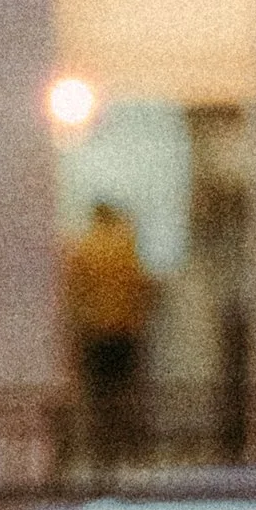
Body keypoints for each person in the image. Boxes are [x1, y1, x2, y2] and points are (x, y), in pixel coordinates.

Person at [64, 199, 157, 466]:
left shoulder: (85, 247)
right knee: (124, 394)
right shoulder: (127, 244)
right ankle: (125, 451)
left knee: (98, 396)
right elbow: (143, 287)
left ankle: (101, 453)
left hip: (95, 332)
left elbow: (75, 293)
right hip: (125, 331)